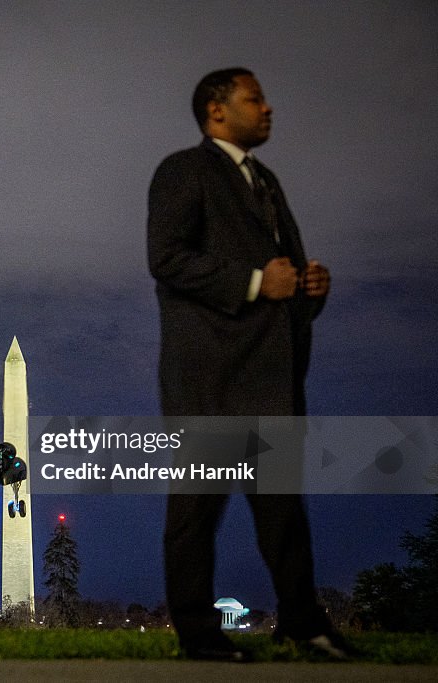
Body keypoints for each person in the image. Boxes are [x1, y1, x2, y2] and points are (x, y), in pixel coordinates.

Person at [147, 68, 349, 661]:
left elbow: (284, 287)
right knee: (197, 511)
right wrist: (258, 281)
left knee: (283, 513)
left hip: (271, 377)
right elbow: (166, 258)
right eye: (254, 98)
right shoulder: (184, 170)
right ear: (217, 110)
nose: (267, 108)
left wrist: (307, 289)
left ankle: (304, 623)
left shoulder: (266, 181)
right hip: (212, 378)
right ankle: (198, 634)